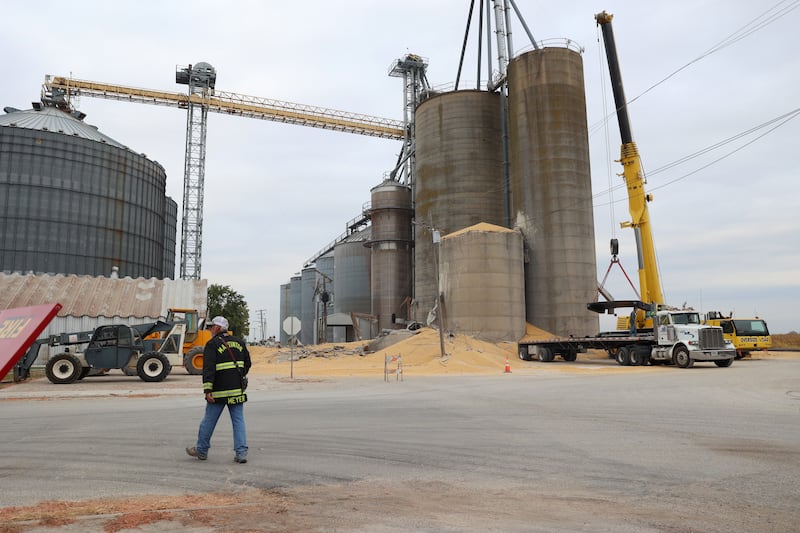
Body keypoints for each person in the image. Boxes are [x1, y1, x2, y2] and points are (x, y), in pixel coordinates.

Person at [186, 315, 251, 463]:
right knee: (238, 421)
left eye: (210, 327)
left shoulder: (212, 344)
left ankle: (201, 450)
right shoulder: (239, 342)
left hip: (218, 392)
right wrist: (238, 376)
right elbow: (247, 363)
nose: (209, 330)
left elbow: (208, 369)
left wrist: (207, 390)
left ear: (217, 328)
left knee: (208, 421)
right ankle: (241, 453)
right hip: (236, 390)